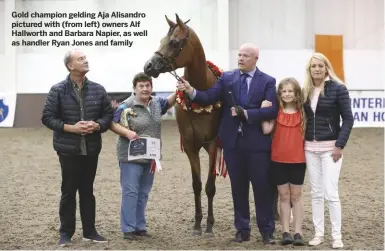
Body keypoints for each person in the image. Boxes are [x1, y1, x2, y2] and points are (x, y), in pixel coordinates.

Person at [177, 43, 278, 245]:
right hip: (233, 144)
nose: (240, 58)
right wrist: (190, 91)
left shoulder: (267, 81)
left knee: (261, 188)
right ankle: (242, 229)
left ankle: (267, 231)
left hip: (257, 145)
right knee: (238, 189)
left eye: (245, 56)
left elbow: (272, 110)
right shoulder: (227, 78)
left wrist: (248, 113)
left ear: (255, 59)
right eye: (239, 55)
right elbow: (208, 97)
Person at [41, 49, 113, 247]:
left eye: (86, 58)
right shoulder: (57, 90)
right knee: (68, 191)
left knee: (88, 191)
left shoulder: (98, 89)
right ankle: (66, 233)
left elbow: (108, 115)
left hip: (91, 148)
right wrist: (70, 128)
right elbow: (47, 117)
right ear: (70, 66)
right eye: (81, 59)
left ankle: (90, 231)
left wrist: (97, 125)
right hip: (68, 149)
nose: (85, 60)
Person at [110, 72, 177, 241]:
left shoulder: (155, 104)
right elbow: (112, 123)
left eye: (148, 85)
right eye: (141, 86)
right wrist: (127, 132)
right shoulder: (126, 106)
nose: (145, 89)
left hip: (150, 155)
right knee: (131, 191)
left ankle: (140, 226)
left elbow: (169, 102)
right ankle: (128, 229)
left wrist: (179, 90)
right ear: (134, 89)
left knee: (144, 192)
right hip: (130, 156)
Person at [302, 52, 354, 249]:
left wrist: (339, 145)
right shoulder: (305, 90)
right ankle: (318, 233)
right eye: (313, 66)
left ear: (326, 68)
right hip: (310, 148)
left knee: (330, 193)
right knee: (315, 193)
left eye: (320, 66)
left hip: (330, 149)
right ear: (310, 69)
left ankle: (336, 235)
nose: (316, 69)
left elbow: (348, 119)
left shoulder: (338, 89)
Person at [262, 77, 306, 246]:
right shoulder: (276, 112)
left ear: (296, 94)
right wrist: (263, 111)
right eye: (284, 91)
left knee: (296, 195)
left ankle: (298, 232)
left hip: (298, 161)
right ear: (279, 93)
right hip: (278, 160)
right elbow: (266, 129)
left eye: (290, 91)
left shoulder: (303, 113)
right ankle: (286, 231)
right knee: (284, 196)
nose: (287, 94)